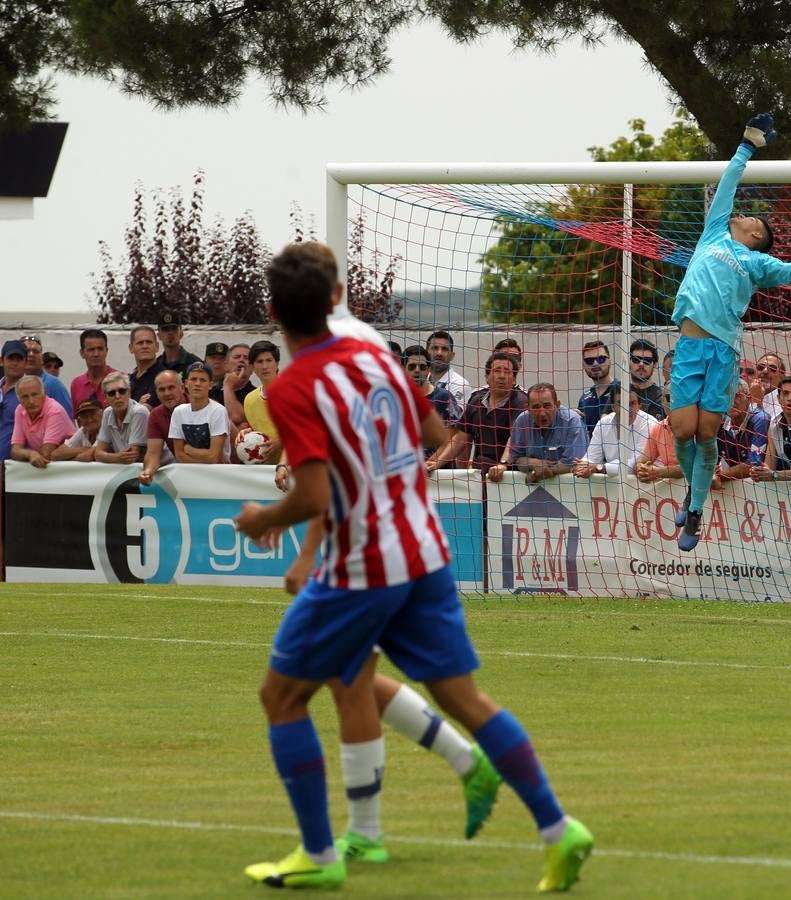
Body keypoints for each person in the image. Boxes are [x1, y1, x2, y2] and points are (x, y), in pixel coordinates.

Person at [234, 241, 591, 891]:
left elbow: (314, 497)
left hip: (364, 564)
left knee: (281, 696)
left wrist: (262, 518)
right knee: (465, 699)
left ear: (272, 313)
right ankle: (558, 828)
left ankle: (319, 854)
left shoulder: (293, 389)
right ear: (336, 299)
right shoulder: (375, 356)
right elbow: (436, 437)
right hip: (423, 548)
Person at [667, 111, 791, 551]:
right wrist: (748, 144)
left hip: (723, 351)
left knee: (706, 433)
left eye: (755, 222)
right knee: (682, 429)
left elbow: (790, 272)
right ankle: (693, 493)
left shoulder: (756, 262)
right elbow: (728, 182)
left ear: (755, 236)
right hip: (690, 346)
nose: (745, 216)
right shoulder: (712, 235)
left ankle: (696, 511)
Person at [428, 352, 528, 472]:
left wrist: (503, 464)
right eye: (497, 371)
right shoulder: (476, 401)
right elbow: (460, 439)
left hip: (509, 475)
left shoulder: (521, 402)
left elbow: (514, 438)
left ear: (514, 379)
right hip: (479, 473)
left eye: (507, 372)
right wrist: (436, 463)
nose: (502, 376)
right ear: (486, 377)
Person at [486, 383, 587, 485]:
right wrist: (534, 463)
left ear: (557, 405)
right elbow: (516, 459)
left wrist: (536, 473)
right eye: (536, 407)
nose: (542, 413)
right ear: (528, 408)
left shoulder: (572, 421)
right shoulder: (522, 420)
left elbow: (573, 464)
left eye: (547, 406)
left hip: (572, 487)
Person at [575, 388, 657, 477]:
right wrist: (583, 466)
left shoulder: (650, 424)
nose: (627, 408)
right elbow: (592, 458)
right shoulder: (603, 423)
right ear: (613, 407)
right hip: (613, 484)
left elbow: (636, 465)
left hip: (645, 485)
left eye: (632, 403)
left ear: (639, 405)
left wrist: (599, 468)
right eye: (621, 403)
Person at [168, 362, 230, 464]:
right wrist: (205, 457)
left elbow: (214, 457)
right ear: (186, 384)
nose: (197, 383)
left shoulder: (218, 411)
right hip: (190, 473)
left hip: (217, 474)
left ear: (210, 385)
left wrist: (188, 449)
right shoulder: (178, 412)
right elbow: (179, 456)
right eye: (193, 379)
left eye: (202, 380)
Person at [10, 375, 76, 468]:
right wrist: (30, 454)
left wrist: (27, 454)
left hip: (71, 466)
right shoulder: (20, 410)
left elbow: (46, 453)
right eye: (25, 397)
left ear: (44, 393)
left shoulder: (54, 410)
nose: (31, 401)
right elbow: (15, 451)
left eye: (35, 394)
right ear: (19, 400)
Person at [716, 378, 770, 482]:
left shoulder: (760, 419)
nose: (731, 402)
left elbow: (754, 464)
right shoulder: (721, 421)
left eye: (737, 396)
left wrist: (718, 475)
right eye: (727, 397)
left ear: (748, 397)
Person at [242, 340, 285, 465]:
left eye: (269, 360)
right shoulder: (249, 399)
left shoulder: (293, 392)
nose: (265, 366)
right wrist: (246, 435)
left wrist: (281, 441)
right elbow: (257, 432)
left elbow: (306, 429)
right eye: (259, 362)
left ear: (276, 363)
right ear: (252, 367)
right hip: (264, 470)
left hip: (296, 468)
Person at [139, 370, 184, 484]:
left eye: (171, 388)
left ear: (182, 388)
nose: (167, 393)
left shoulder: (200, 406)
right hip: (185, 472)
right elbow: (153, 453)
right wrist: (148, 472)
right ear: (157, 393)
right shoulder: (155, 415)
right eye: (161, 390)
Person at [93, 372, 148, 464]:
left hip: (161, 468)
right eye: (111, 393)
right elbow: (98, 454)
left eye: (122, 391)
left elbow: (132, 457)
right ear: (105, 398)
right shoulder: (107, 413)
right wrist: (117, 457)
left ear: (129, 393)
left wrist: (109, 457)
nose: (118, 396)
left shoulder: (139, 412)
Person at [635, 391, 687, 484]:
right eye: (669, 397)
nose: (674, 401)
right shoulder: (658, 428)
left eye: (680, 396)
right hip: (671, 491)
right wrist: (641, 468)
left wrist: (656, 472)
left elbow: (689, 467)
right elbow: (644, 458)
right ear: (662, 401)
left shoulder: (697, 427)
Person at [20, 334, 73, 415]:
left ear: (41, 358)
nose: (31, 354)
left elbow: (68, 419)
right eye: (27, 351)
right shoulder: (10, 384)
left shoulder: (53, 384)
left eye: (35, 351)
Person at [404, 344, 454, 429]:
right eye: (412, 367)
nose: (417, 370)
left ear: (428, 370)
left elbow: (455, 434)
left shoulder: (444, 397)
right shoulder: (397, 397)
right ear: (402, 369)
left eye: (422, 367)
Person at [425, 330, 471, 421]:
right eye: (435, 348)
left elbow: (450, 419)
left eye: (444, 349)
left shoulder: (460, 383)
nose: (439, 353)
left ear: (452, 355)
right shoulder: (421, 379)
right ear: (426, 353)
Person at [576, 340, 620, 435]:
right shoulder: (584, 398)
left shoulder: (622, 392)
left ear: (610, 361)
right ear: (583, 365)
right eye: (589, 361)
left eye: (601, 359)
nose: (595, 363)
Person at [69, 329, 117, 411]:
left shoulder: (120, 380)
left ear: (106, 351)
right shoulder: (76, 384)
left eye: (100, 349)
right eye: (91, 350)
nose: (96, 354)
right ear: (82, 353)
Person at [0, 340, 29, 461]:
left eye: (19, 359)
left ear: (25, 363)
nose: (15, 363)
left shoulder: (31, 392)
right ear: (2, 361)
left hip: (14, 466)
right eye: (11, 358)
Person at [127, 325, 167, 408]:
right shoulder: (129, 380)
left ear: (157, 347)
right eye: (140, 343)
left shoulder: (164, 378)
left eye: (149, 342)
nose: (145, 346)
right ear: (131, 348)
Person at [155, 311, 202, 377]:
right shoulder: (156, 366)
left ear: (181, 334)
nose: (170, 333)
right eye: (165, 329)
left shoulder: (194, 364)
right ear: (159, 335)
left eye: (174, 329)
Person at [221, 342, 258, 426]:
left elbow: (236, 418)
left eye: (246, 358)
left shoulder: (256, 395)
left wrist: (228, 387)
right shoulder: (211, 391)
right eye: (236, 357)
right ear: (226, 365)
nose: (241, 360)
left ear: (252, 368)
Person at [628, 339, 665, 419]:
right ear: (629, 362)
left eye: (647, 361)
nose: (641, 364)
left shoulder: (662, 398)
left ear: (654, 364)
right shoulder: (621, 393)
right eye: (636, 359)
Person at [752, 352, 787, 424]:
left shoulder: (785, 404)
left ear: (782, 376)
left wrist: (757, 401)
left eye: (772, 368)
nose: (765, 371)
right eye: (760, 367)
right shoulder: (745, 397)